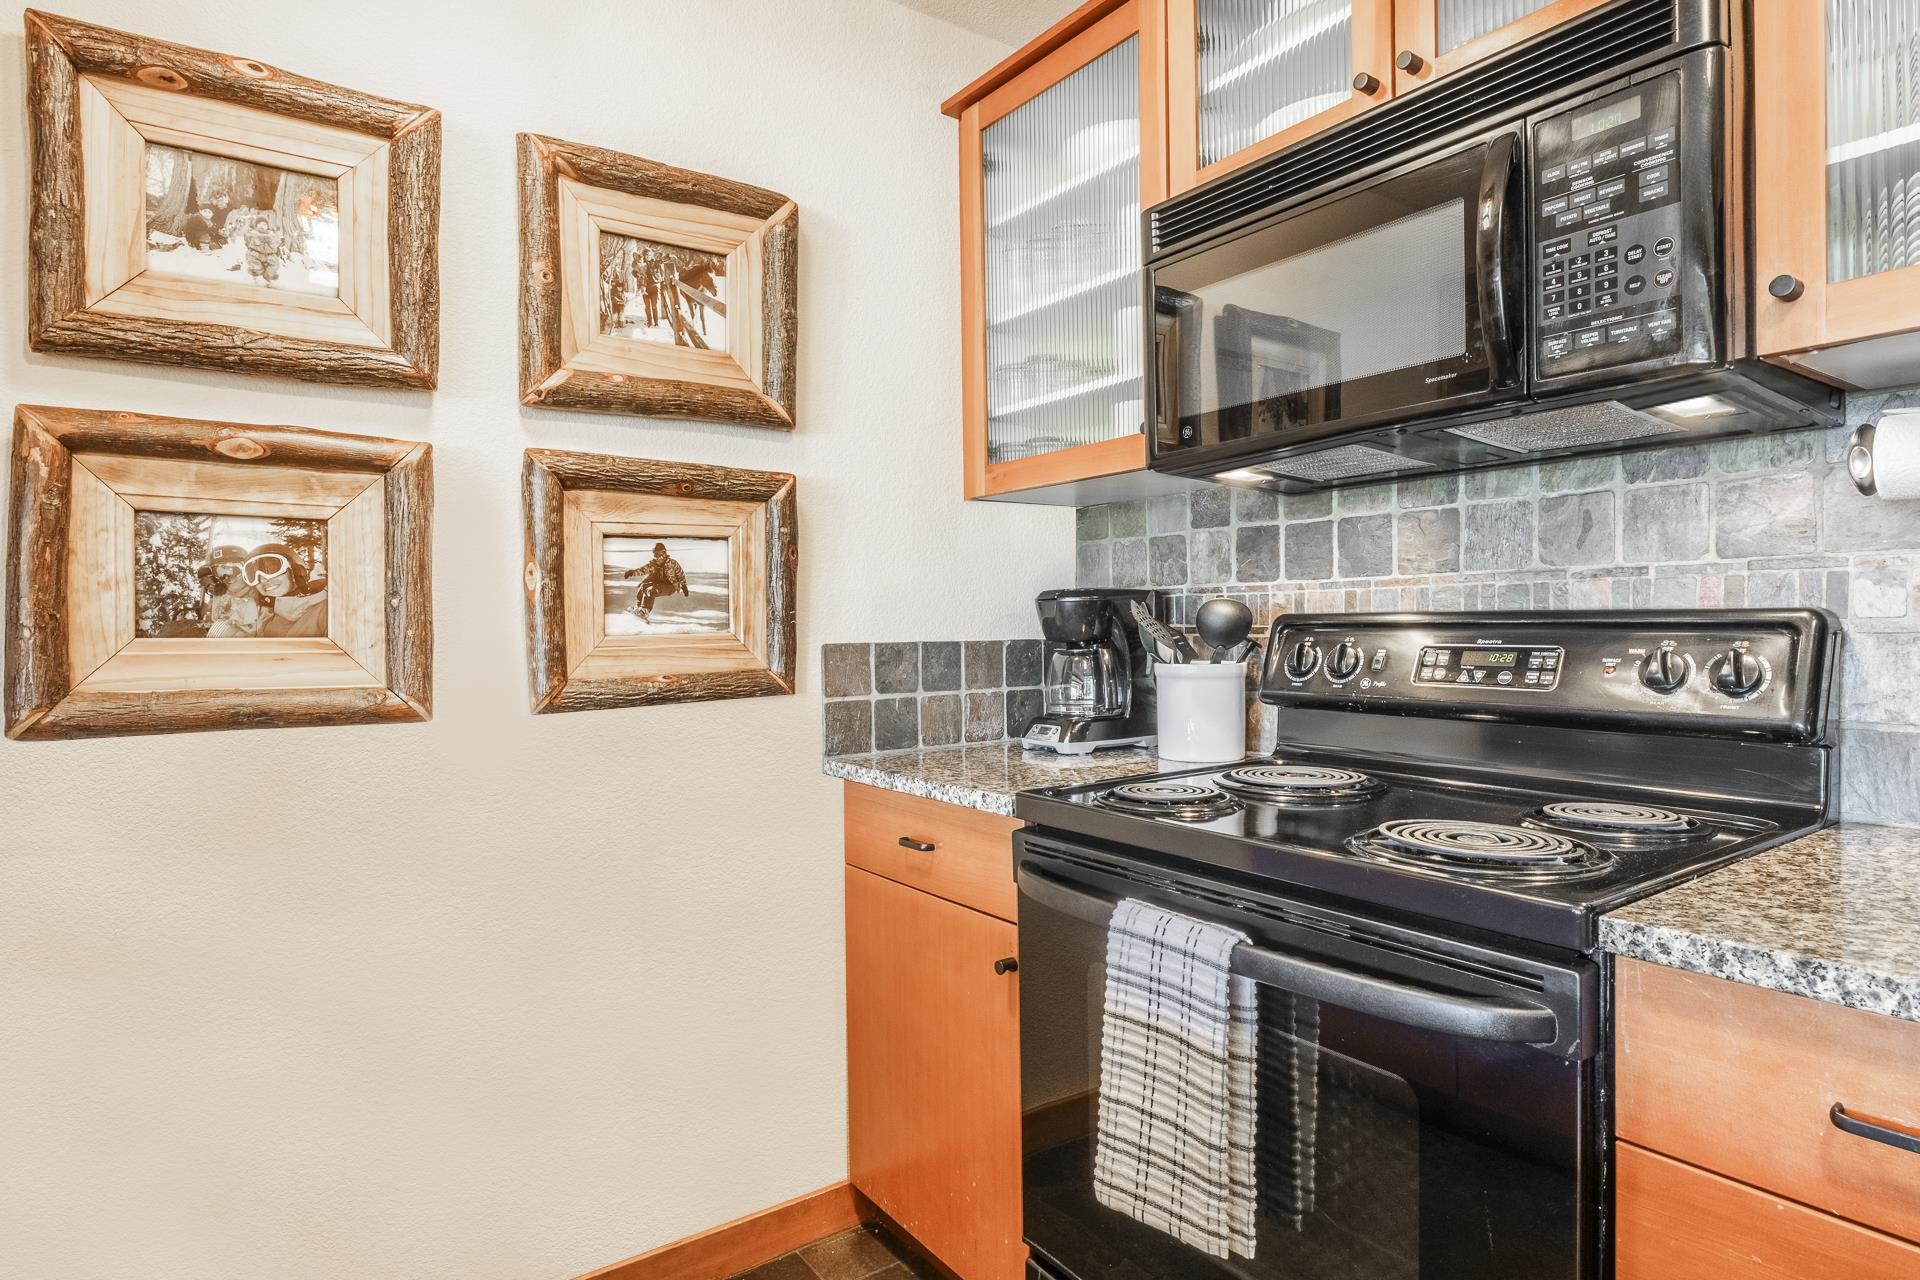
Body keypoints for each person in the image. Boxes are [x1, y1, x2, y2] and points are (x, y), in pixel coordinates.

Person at [242, 543, 328, 637]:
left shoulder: (326, 611)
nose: (263, 579)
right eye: (253, 575)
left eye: (273, 569)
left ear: (296, 572)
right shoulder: (264, 617)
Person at [621, 543, 688, 622]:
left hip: (670, 586)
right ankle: (638, 608)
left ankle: (645, 611)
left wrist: (684, 585)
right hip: (659, 584)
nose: (656, 557)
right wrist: (632, 572)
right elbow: (643, 570)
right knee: (643, 586)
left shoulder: (672, 563)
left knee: (651, 590)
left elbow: (680, 573)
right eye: (655, 555)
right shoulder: (654, 564)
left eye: (658, 555)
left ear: (664, 553)